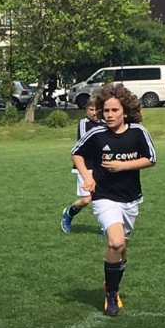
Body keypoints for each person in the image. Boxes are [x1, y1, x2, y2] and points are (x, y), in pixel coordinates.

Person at [71, 84, 156, 317]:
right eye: (106, 110)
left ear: (125, 111)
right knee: (115, 243)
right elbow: (76, 153)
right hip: (104, 197)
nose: (109, 115)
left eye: (114, 110)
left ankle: (111, 282)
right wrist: (88, 177)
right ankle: (111, 293)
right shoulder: (97, 134)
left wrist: (122, 166)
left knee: (122, 249)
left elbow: (151, 158)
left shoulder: (138, 132)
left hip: (130, 199)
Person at [62, 95, 103, 233]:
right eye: (91, 109)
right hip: (85, 166)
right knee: (86, 200)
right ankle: (68, 213)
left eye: (97, 110)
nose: (94, 113)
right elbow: (86, 141)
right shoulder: (84, 123)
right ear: (86, 109)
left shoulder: (106, 122)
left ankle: (106, 226)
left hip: (102, 166)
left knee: (104, 197)